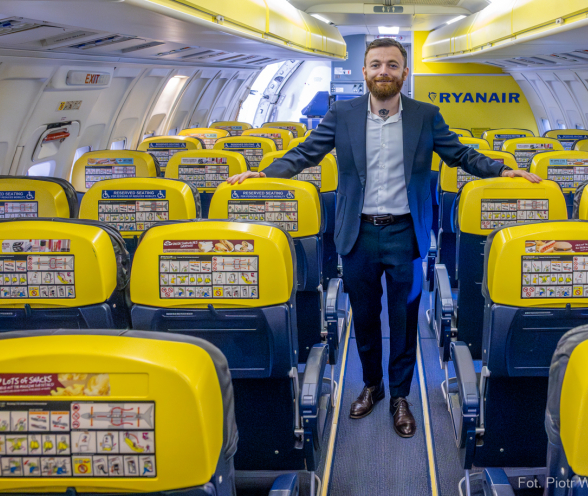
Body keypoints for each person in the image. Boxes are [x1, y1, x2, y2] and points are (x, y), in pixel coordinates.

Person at [226, 37, 541, 438]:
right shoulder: (342, 114)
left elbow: (460, 154)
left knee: (405, 319)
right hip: (357, 233)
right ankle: (372, 386)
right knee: (365, 317)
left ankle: (400, 396)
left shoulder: (425, 115)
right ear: (364, 72)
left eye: (392, 65)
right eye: (376, 64)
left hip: (405, 232)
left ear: (404, 73)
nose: (383, 72)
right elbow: (306, 153)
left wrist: (501, 170)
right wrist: (265, 172)